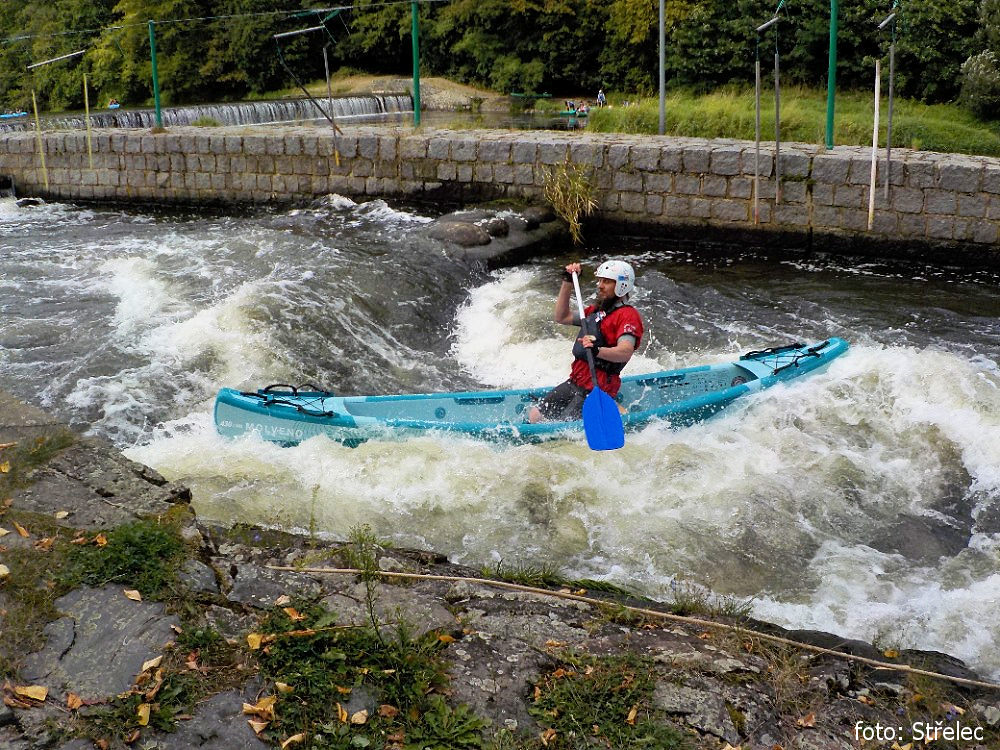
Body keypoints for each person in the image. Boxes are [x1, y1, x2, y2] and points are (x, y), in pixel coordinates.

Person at [528, 260, 644, 423]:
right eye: (600, 280)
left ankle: (613, 410)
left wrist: (597, 350)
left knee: (565, 427)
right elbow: (562, 317)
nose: (600, 286)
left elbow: (625, 352)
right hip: (575, 382)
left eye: (607, 282)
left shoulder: (628, 316)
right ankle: (613, 410)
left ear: (621, 285)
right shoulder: (597, 311)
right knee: (536, 415)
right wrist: (567, 281)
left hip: (597, 388)